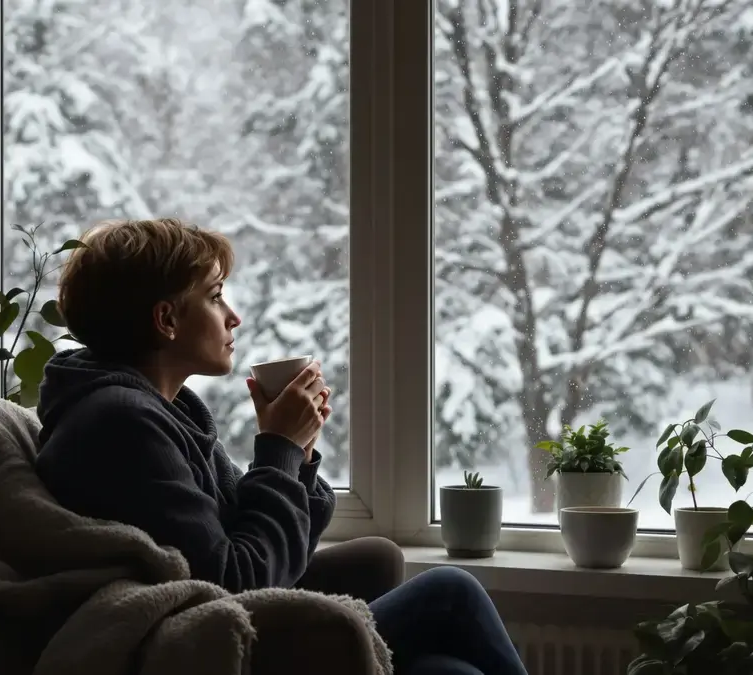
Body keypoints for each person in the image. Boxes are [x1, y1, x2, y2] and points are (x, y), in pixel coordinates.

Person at [34, 218, 528, 675]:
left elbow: (267, 544)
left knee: (444, 668)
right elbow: (236, 581)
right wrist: (277, 447)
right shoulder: (121, 422)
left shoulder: (170, 409)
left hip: (237, 611)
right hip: (223, 643)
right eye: (215, 296)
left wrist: (299, 452)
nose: (235, 317)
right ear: (166, 319)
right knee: (451, 590)